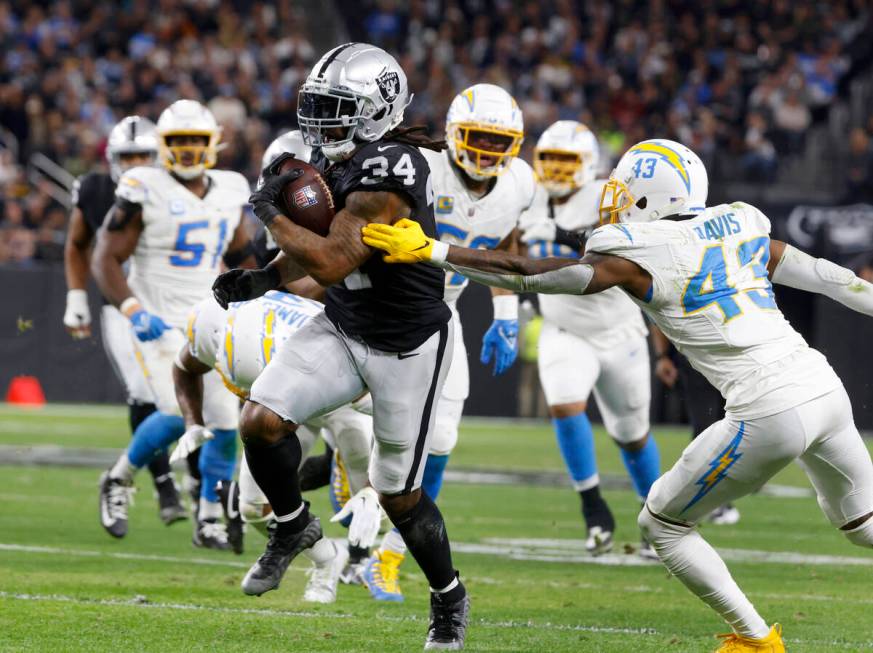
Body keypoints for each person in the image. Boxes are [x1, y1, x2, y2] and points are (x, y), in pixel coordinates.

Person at [361, 138, 873, 652]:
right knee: (862, 524)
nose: (618, 197)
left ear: (651, 197)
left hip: (767, 408)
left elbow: (531, 275)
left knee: (663, 524)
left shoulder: (640, 251)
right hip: (824, 386)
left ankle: (757, 640)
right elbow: (832, 278)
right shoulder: (742, 221)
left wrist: (438, 251)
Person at [212, 43, 469, 650]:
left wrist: (270, 214)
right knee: (262, 420)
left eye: (335, 108)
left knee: (399, 495)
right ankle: (293, 526)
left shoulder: (395, 167)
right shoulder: (339, 159)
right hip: (346, 325)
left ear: (375, 109)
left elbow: (332, 258)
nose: (320, 122)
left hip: (408, 344)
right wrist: (264, 279)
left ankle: (449, 597)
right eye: (317, 106)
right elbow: (317, 262)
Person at [361, 82, 534, 602]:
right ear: (454, 134)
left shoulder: (520, 183)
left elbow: (506, 242)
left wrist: (506, 311)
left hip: (442, 314)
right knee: (351, 424)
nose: (485, 151)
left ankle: (386, 556)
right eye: (477, 137)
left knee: (440, 442)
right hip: (378, 310)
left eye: (497, 141)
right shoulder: (420, 165)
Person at [92, 99, 256, 548]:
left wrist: (268, 289)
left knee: (225, 424)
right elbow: (105, 255)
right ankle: (119, 478)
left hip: (210, 317)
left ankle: (207, 519)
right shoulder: (142, 185)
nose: (186, 151)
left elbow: (243, 256)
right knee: (173, 412)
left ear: (213, 144)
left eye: (195, 141)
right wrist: (131, 309)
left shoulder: (229, 188)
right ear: (163, 146)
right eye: (178, 141)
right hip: (157, 317)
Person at [170, 290, 378, 603]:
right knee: (253, 507)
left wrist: (375, 486)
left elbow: (394, 412)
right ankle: (327, 557)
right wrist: (193, 422)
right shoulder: (214, 326)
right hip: (284, 408)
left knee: (376, 501)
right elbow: (184, 367)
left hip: (344, 394)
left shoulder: (304, 345)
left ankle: (393, 560)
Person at [520, 120, 659, 556]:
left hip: (618, 329)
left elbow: (620, 246)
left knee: (632, 433)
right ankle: (593, 509)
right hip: (563, 327)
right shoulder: (526, 194)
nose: (557, 171)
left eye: (567, 162)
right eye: (550, 161)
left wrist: (561, 235)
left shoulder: (607, 194)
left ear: (590, 165)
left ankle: (655, 514)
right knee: (564, 405)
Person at [63, 115, 185, 526]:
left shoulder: (181, 189)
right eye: (126, 156)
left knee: (197, 396)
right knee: (143, 392)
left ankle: (209, 494)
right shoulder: (98, 189)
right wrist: (77, 295)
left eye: (142, 156)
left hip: (176, 303)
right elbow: (79, 244)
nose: (134, 163)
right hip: (123, 305)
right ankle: (164, 484)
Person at [650, 324, 739, 524]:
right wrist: (662, 356)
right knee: (705, 430)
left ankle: (714, 496)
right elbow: (656, 311)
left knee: (737, 426)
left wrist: (662, 356)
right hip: (699, 357)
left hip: (734, 357)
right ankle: (705, 497)